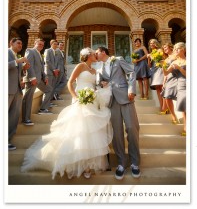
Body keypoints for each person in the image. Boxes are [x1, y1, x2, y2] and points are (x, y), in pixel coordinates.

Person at [21, 47, 113, 180]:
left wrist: (101, 87)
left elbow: (94, 85)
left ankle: (88, 166)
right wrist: (75, 97)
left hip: (92, 101)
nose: (95, 56)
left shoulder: (94, 70)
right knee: (79, 130)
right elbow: (70, 82)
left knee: (91, 132)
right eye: (93, 54)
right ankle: (74, 164)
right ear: (87, 56)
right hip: (80, 99)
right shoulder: (80, 66)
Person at [96, 46, 141, 180]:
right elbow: (99, 82)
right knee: (117, 133)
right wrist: (101, 83)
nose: (96, 54)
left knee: (132, 128)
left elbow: (131, 72)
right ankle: (121, 163)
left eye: (97, 52)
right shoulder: (100, 67)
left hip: (126, 97)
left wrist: (131, 89)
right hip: (111, 101)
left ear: (103, 52)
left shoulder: (118, 59)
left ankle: (135, 163)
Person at [22, 38, 53, 122]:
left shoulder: (39, 54)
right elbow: (28, 65)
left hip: (39, 79)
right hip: (32, 79)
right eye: (39, 44)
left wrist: (45, 77)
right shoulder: (30, 51)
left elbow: (41, 69)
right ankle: (26, 119)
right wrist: (32, 78)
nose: (41, 46)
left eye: (42, 45)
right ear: (35, 43)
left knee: (49, 89)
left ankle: (43, 109)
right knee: (28, 98)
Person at [8, 37, 29, 150]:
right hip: (7, 90)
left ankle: (7, 140)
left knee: (13, 117)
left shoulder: (16, 56)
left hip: (17, 90)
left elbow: (16, 72)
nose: (20, 46)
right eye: (18, 43)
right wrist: (18, 62)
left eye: (21, 44)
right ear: (11, 43)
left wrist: (24, 68)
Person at [163, 42, 186, 135]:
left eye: (178, 48)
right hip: (178, 82)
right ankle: (184, 125)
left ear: (183, 49)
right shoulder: (174, 62)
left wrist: (180, 68)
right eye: (175, 49)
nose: (176, 50)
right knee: (184, 105)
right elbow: (166, 73)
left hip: (185, 82)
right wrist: (162, 66)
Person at [160, 43, 178, 124]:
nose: (165, 49)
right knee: (167, 97)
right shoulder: (166, 59)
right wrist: (164, 82)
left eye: (165, 47)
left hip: (178, 77)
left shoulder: (176, 55)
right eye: (163, 48)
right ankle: (173, 115)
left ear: (170, 47)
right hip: (169, 78)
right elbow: (165, 73)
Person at [147, 39, 165, 110]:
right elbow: (149, 65)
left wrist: (151, 56)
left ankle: (165, 106)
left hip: (160, 69)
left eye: (153, 43)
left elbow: (163, 59)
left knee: (162, 87)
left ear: (156, 43)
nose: (151, 44)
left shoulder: (160, 50)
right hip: (154, 70)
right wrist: (148, 58)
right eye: (150, 43)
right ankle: (161, 106)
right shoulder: (151, 53)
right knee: (157, 88)